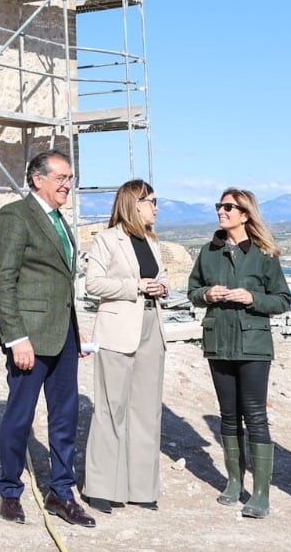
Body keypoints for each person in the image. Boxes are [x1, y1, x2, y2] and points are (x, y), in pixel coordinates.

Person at [0, 150, 96, 528]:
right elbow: (4, 281)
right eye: (61, 178)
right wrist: (16, 337)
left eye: (70, 178)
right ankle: (9, 489)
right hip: (28, 338)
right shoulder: (15, 216)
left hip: (63, 335)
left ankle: (61, 492)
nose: (68, 184)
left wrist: (75, 333)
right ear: (37, 179)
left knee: (65, 417)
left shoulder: (59, 221)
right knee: (20, 417)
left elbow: (59, 284)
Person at [186, 188, 291, 518]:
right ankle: (234, 482)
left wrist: (252, 299)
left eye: (228, 207)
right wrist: (208, 294)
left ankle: (260, 493)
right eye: (219, 205)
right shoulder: (208, 251)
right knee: (228, 414)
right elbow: (192, 291)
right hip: (219, 343)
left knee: (255, 415)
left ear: (245, 214)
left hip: (253, 346)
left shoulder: (264, 254)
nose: (221, 210)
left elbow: (282, 299)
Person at [81, 178, 168, 513]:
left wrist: (161, 287)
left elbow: (161, 278)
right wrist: (135, 286)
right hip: (118, 328)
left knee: (146, 411)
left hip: (151, 327)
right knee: (110, 409)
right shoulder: (107, 239)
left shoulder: (152, 240)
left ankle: (141, 489)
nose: (156, 207)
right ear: (135, 202)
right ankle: (101, 487)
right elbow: (94, 283)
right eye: (152, 201)